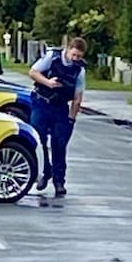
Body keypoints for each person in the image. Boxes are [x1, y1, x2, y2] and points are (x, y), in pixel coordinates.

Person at [28, 37, 87, 197]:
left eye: (79, 57)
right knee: (39, 140)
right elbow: (33, 72)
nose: (75, 59)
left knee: (59, 144)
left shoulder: (79, 70)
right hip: (41, 102)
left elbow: (77, 98)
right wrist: (48, 82)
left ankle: (59, 181)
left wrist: (71, 119)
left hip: (60, 107)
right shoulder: (52, 57)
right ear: (67, 49)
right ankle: (45, 172)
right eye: (74, 55)